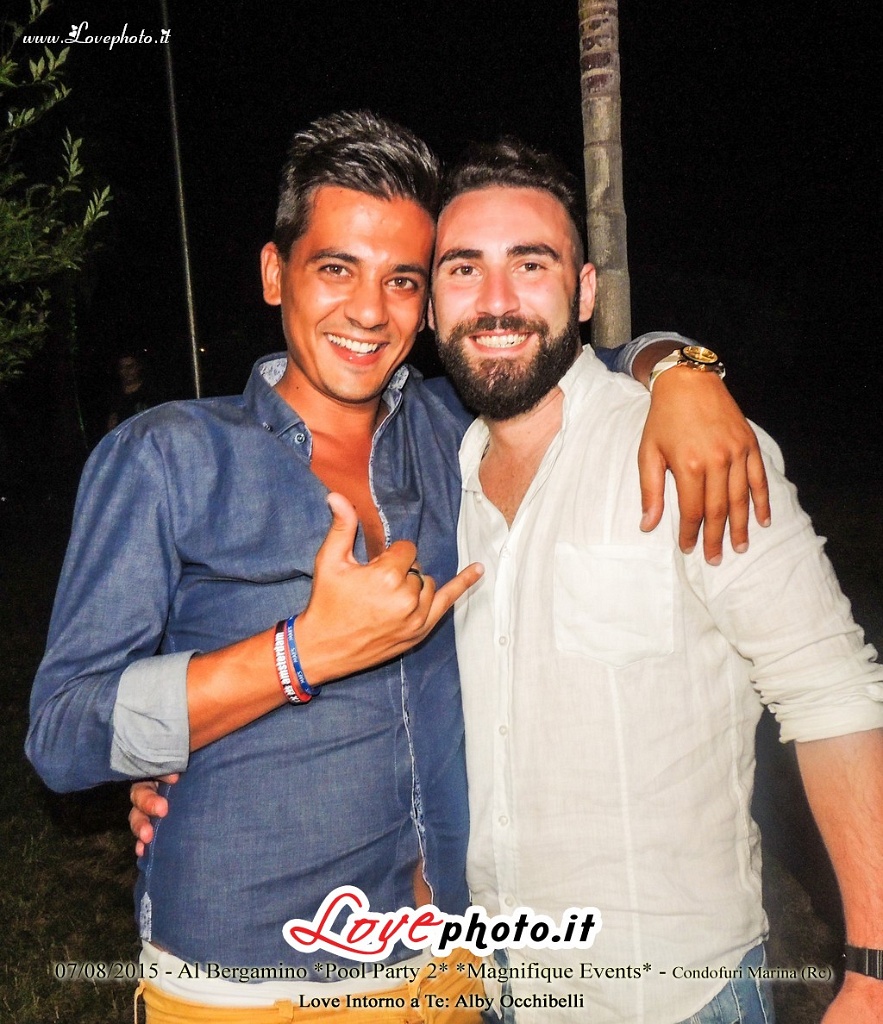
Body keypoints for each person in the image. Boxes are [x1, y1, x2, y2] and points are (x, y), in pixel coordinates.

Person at [29, 111, 764, 1023]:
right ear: (275, 273)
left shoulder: (459, 432)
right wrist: (297, 656)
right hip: (248, 983)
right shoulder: (170, 456)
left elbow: (580, 355)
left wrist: (680, 367)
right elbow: (64, 734)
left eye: (402, 280)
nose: (370, 312)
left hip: (449, 967)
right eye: (336, 269)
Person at [424, 139, 883, 1023]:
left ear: (583, 292)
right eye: (463, 268)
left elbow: (831, 693)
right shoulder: (439, 470)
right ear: (430, 302)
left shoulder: (692, 453)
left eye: (530, 264)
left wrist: (872, 967)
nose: (496, 299)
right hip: (500, 987)